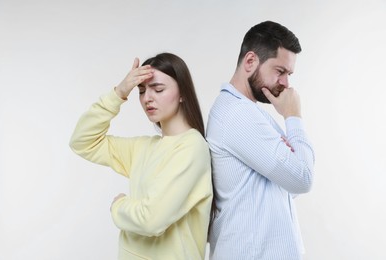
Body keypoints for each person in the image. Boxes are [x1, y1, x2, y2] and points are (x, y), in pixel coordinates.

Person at [69, 52, 213, 260]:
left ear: (183, 93)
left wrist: (119, 206)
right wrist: (119, 93)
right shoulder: (142, 148)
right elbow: (82, 141)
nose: (147, 98)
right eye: (142, 91)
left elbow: (151, 219)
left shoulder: (192, 147)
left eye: (158, 89)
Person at [206, 21, 315, 259]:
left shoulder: (252, 113)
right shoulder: (237, 114)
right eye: (280, 71)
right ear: (250, 61)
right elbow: (301, 178)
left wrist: (290, 168)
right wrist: (293, 117)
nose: (286, 83)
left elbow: (288, 187)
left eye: (289, 74)